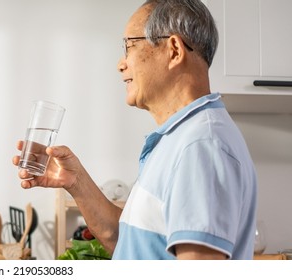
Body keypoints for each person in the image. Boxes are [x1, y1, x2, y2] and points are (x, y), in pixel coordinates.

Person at [13, 0, 257, 260]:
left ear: (174, 50)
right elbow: (126, 242)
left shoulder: (201, 145)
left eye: (130, 45)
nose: (121, 63)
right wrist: (76, 182)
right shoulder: (179, 139)